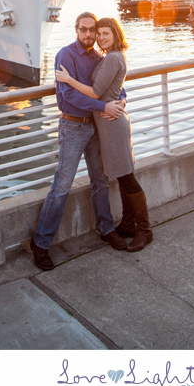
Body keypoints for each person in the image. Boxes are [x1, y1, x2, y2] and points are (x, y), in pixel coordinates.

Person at [30, 12, 128, 271]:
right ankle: (40, 243)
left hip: (97, 126)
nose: (88, 35)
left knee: (100, 180)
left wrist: (121, 100)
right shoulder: (65, 56)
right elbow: (69, 95)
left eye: (92, 31)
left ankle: (106, 229)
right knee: (62, 185)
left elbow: (114, 85)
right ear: (76, 29)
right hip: (73, 126)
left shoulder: (100, 57)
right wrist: (102, 104)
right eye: (83, 30)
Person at [56, 16, 153, 252]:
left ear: (116, 35)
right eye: (99, 34)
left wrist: (68, 80)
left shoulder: (112, 57)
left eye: (105, 33)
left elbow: (97, 92)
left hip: (112, 124)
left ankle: (144, 230)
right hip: (108, 123)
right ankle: (129, 224)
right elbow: (116, 88)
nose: (100, 37)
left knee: (127, 177)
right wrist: (121, 98)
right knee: (121, 175)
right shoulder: (107, 57)